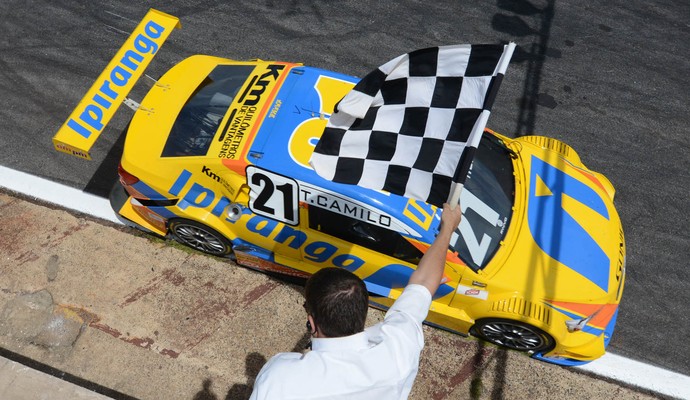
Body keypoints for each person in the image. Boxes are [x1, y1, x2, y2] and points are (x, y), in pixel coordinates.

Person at [249, 203, 463, 400]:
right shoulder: (397, 351)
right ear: (362, 309)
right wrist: (447, 229)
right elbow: (423, 283)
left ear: (312, 323)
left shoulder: (280, 376)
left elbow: (423, 286)